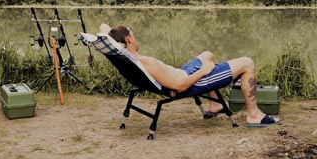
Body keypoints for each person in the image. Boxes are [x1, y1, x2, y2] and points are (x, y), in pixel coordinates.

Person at [108, 25, 281, 127]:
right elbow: (180, 87)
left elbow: (104, 28)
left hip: (184, 72)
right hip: (193, 81)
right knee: (247, 62)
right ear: (129, 39)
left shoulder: (128, 58)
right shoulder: (148, 62)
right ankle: (254, 115)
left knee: (208, 54)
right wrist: (203, 71)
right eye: (134, 37)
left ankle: (214, 105)